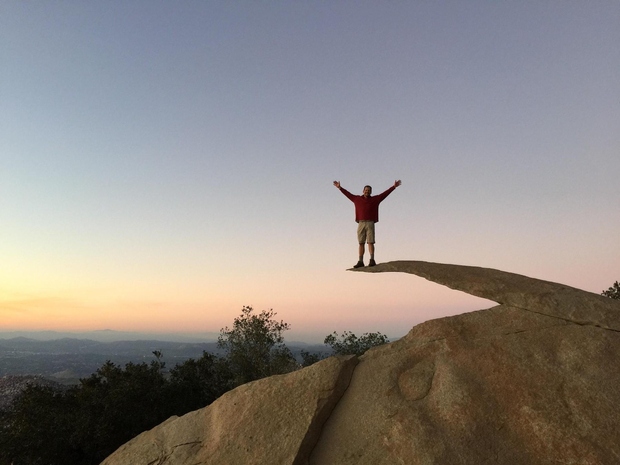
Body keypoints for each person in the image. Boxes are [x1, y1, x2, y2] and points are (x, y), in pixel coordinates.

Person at [333, 179, 402, 268]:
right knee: (361, 243)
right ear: (363, 191)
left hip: (370, 223)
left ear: (371, 192)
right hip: (361, 223)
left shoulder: (375, 199)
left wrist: (394, 187)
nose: (367, 192)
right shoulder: (357, 199)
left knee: (370, 242)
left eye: (369, 191)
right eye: (366, 190)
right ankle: (360, 261)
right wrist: (339, 188)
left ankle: (372, 260)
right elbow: (348, 194)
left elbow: (384, 194)